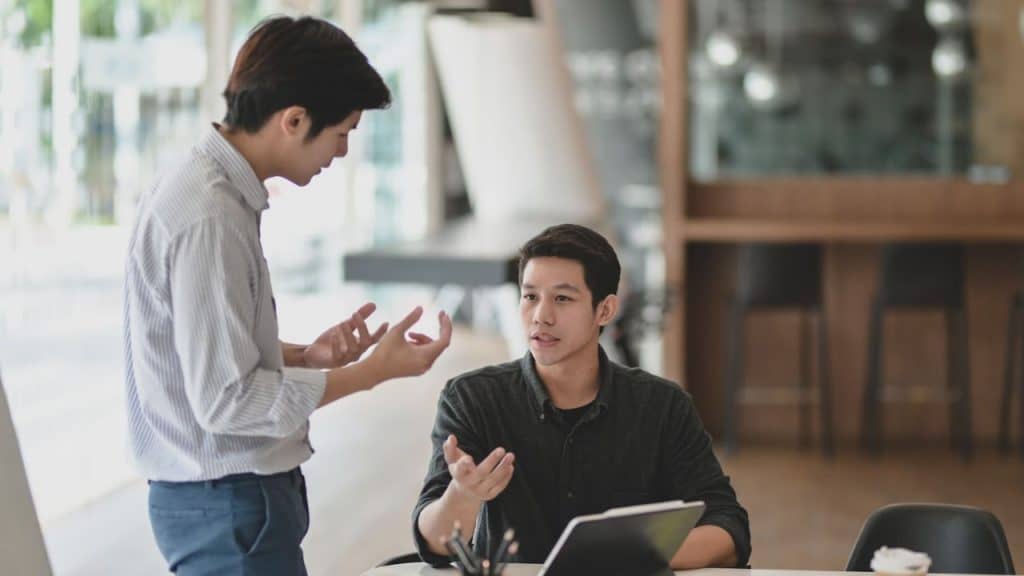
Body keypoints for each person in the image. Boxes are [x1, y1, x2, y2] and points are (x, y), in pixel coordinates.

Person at [123, 16, 452, 575]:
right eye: (343, 132)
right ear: (294, 120)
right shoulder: (210, 214)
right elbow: (226, 399)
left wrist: (304, 357)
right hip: (227, 507)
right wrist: (373, 372)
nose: (343, 152)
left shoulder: (206, 189)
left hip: (225, 505)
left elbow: (200, 348)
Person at [413, 224, 749, 569]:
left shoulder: (663, 406)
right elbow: (434, 544)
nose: (541, 316)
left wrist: (631, 562)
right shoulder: (472, 398)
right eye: (530, 296)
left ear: (604, 310)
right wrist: (463, 495)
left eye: (562, 298)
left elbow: (728, 526)